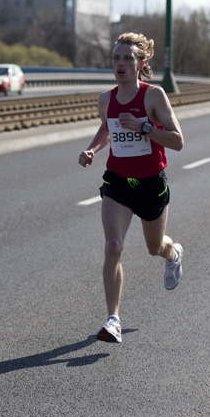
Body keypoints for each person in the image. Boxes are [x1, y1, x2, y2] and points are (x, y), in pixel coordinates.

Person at [78, 32, 184, 343]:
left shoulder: (154, 97)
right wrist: (92, 150)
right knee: (113, 247)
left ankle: (173, 254)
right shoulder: (105, 100)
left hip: (151, 184)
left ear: (140, 64)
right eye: (116, 58)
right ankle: (113, 319)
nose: (121, 63)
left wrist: (144, 127)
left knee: (155, 247)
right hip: (118, 182)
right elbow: (107, 128)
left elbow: (178, 140)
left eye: (128, 58)